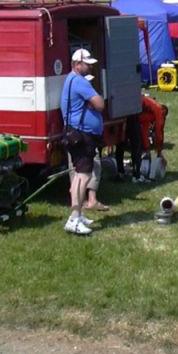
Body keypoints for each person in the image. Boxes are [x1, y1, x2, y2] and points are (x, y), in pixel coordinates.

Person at [60, 49, 104, 236]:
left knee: (80, 175)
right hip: (82, 135)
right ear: (77, 64)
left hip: (76, 132)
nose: (90, 67)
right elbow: (100, 104)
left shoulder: (71, 79)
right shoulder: (80, 82)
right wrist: (94, 102)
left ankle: (78, 215)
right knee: (83, 176)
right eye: (87, 64)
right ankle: (74, 218)